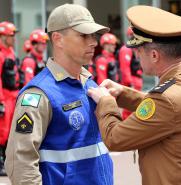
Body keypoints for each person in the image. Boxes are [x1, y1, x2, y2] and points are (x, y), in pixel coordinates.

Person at [88, 5, 181, 185]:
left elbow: (115, 138)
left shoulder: (168, 98)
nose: (136, 55)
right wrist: (123, 94)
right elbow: (173, 112)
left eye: (139, 50)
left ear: (154, 55)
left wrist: (106, 101)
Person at [5, 4, 113, 185]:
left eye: (93, 35)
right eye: (84, 35)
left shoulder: (91, 85)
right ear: (58, 39)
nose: (93, 42)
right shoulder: (38, 95)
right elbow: (20, 162)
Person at [0, 21, 20, 176]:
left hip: (14, 97)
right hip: (4, 98)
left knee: (12, 131)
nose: (14, 38)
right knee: (3, 132)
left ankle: (8, 161)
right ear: (3, 36)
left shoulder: (11, 52)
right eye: (11, 35)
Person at [119, 27, 143, 119]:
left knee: (136, 106)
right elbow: (125, 69)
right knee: (128, 108)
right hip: (131, 81)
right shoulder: (126, 49)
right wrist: (129, 83)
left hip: (136, 79)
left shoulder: (135, 48)